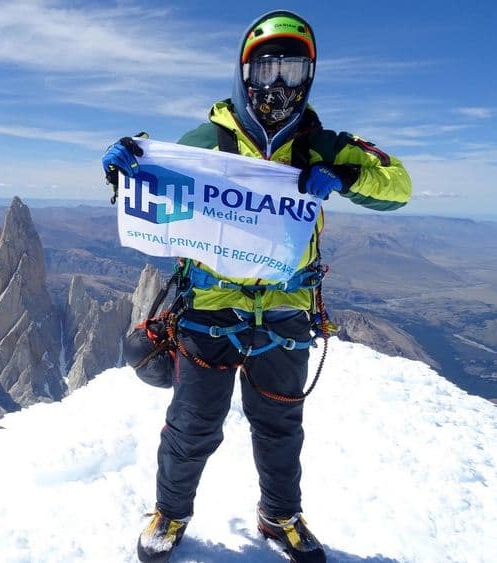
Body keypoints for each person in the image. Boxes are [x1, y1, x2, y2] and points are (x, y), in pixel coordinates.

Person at [102, 10, 412, 563]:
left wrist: (346, 175)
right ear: (244, 73)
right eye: (268, 69)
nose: (279, 86)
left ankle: (280, 517)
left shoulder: (321, 144)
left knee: (279, 427)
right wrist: (129, 172)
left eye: (292, 71)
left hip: (285, 316)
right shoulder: (208, 140)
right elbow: (159, 193)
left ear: (309, 77)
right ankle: (170, 513)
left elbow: (398, 185)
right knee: (192, 425)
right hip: (210, 310)